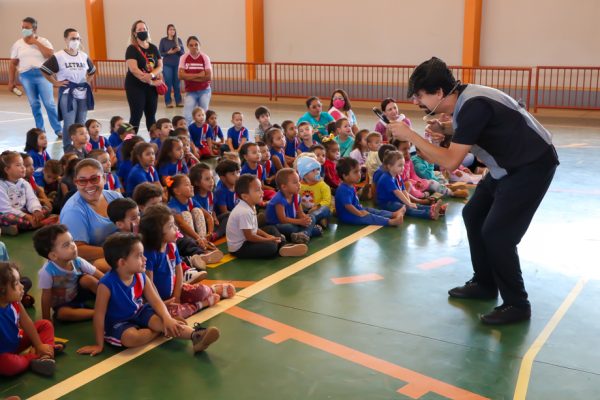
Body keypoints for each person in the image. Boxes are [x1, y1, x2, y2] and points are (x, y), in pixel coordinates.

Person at [388, 57, 559, 325]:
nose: (416, 101)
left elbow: (450, 161)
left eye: (420, 95)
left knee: (498, 235)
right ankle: (485, 283)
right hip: (507, 167)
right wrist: (446, 129)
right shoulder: (467, 99)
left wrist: (411, 136)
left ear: (440, 93)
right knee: (474, 214)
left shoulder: (473, 106)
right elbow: (477, 129)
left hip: (530, 167)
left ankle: (517, 304)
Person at [76, 232, 220, 355]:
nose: (145, 259)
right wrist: (99, 345)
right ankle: (159, 331)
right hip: (118, 322)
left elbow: (155, 300)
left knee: (164, 321)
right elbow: (99, 315)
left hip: (140, 312)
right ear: (122, 263)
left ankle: (195, 335)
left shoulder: (141, 276)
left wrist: (166, 318)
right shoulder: (106, 284)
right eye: (139, 256)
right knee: (131, 338)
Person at [139, 204, 232, 319]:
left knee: (200, 291)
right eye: (171, 226)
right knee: (173, 314)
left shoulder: (172, 246)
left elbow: (179, 271)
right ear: (157, 233)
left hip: (176, 291)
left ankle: (212, 289)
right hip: (158, 300)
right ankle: (201, 304)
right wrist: (162, 304)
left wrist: (177, 296)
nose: (176, 229)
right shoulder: (149, 253)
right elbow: (150, 284)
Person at [59, 159, 122, 272]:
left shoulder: (115, 197)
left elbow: (133, 221)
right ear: (76, 182)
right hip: (88, 263)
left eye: (94, 179)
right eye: (82, 181)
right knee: (129, 265)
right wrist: (118, 251)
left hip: (119, 251)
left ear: (104, 178)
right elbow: (78, 250)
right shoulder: (73, 211)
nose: (89, 185)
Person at [226, 175, 308, 258]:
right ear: (245, 196)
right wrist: (268, 239)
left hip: (248, 239)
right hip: (240, 248)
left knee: (271, 228)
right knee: (270, 247)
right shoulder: (244, 212)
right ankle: (279, 248)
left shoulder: (251, 206)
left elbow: (254, 229)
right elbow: (250, 237)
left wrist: (267, 236)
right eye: (258, 190)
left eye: (261, 189)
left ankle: (283, 247)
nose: (262, 192)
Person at [33, 224, 103, 322]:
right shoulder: (47, 272)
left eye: (72, 241)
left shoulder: (78, 261)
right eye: (66, 245)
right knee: (62, 314)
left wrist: (114, 288)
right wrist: (46, 319)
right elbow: (46, 296)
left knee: (87, 279)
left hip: (79, 292)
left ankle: (109, 300)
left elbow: (99, 275)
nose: (73, 246)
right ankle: (98, 313)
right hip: (63, 303)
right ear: (53, 255)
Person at [41, 28, 95, 151]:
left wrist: (86, 82)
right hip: (67, 92)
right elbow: (44, 69)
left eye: (77, 38)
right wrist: (55, 82)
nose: (75, 41)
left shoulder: (83, 56)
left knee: (81, 122)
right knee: (69, 123)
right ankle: (67, 149)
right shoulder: (59, 56)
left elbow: (92, 71)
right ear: (66, 40)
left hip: (82, 93)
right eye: (72, 38)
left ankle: (80, 148)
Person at [0, 262, 58, 377]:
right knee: (10, 365)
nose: (22, 287)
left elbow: (27, 323)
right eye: (16, 283)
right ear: (1, 290)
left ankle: (44, 354)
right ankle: (34, 356)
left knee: (45, 325)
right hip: (3, 355)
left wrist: (39, 344)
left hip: (16, 343)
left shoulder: (15, 302)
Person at [8, 17, 62, 139]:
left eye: (26, 28)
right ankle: (40, 131)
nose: (24, 30)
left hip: (43, 75)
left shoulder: (44, 41)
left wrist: (36, 42)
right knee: (34, 104)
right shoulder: (17, 44)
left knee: (49, 104)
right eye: (22, 27)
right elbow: (13, 64)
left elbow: (50, 55)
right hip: (26, 76)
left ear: (34, 28)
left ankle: (58, 130)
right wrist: (11, 82)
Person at [334, 158, 405, 227]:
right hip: (347, 216)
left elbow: (353, 202)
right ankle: (390, 222)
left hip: (354, 211)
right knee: (369, 217)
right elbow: (348, 206)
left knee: (372, 210)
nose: (359, 174)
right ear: (345, 176)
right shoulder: (343, 189)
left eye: (359, 171)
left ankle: (393, 214)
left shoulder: (350, 185)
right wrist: (359, 213)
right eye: (355, 172)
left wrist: (360, 209)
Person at [0, 151, 51, 236]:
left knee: (46, 209)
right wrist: (26, 216)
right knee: (7, 217)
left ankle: (21, 226)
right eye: (18, 165)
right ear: (7, 170)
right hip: (7, 213)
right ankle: (38, 223)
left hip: (22, 211)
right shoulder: (2, 185)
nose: (23, 167)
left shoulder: (24, 183)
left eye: (23, 164)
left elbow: (32, 199)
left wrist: (36, 210)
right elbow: (5, 209)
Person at [125, 20, 163, 132]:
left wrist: (151, 75)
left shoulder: (153, 48)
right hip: (135, 86)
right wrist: (148, 79)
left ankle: (154, 142)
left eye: (144, 29)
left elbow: (160, 66)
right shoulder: (131, 49)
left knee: (151, 116)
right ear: (135, 33)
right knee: (135, 116)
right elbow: (133, 69)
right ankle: (128, 142)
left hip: (151, 86)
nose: (143, 31)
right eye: (139, 30)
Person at [179, 36, 212, 124]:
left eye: (196, 45)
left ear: (199, 45)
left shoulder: (205, 57)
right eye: (191, 45)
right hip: (190, 91)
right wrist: (199, 75)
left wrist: (188, 76)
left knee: (203, 116)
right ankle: (187, 136)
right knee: (187, 116)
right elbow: (180, 76)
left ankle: (204, 135)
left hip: (204, 90)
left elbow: (208, 77)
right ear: (188, 46)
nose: (194, 47)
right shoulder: (184, 57)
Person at [158, 24, 184, 108]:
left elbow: (183, 53)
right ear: (167, 31)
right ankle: (168, 102)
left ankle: (178, 101)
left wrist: (179, 50)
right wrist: (167, 53)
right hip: (167, 65)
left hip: (177, 64)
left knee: (177, 84)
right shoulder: (163, 40)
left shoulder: (178, 40)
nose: (172, 31)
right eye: (170, 29)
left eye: (173, 29)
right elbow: (160, 53)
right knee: (168, 84)